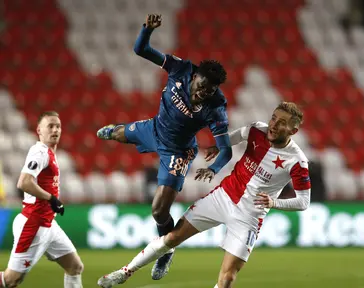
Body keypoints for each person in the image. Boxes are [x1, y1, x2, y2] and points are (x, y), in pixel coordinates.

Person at [97, 102, 311, 288]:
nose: (274, 124)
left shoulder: (297, 161)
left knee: (227, 277)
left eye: (282, 122)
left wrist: (274, 202)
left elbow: (303, 202)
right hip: (223, 197)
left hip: (250, 216)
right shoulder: (257, 130)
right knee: (172, 237)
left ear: (293, 131)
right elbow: (236, 136)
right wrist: (220, 146)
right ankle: (125, 272)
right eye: (273, 117)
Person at [96, 14, 232, 280]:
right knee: (118, 134)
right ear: (195, 76)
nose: (204, 93)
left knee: (159, 210)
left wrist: (213, 168)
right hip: (155, 128)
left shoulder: (216, 107)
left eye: (210, 90)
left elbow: (225, 149)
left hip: (178, 153)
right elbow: (141, 50)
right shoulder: (181, 68)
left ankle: (165, 251)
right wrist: (147, 29)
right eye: (203, 86)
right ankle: (116, 129)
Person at [0, 111, 84, 288]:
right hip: (34, 223)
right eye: (50, 126)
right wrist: (51, 198)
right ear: (39, 130)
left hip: (48, 224)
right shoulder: (40, 152)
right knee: (11, 280)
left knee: (74, 266)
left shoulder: (50, 153)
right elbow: (24, 182)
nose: (55, 130)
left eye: (58, 126)